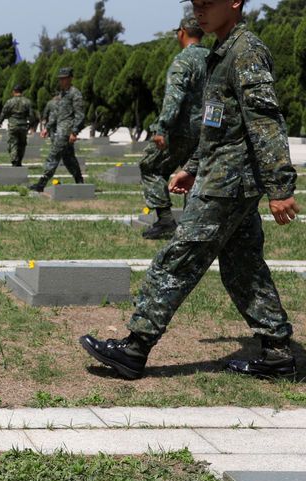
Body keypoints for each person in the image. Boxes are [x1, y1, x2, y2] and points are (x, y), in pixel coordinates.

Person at [81, 0, 300, 381]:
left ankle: (135, 347)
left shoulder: (246, 51)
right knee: (244, 268)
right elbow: (218, 126)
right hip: (222, 176)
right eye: (196, 4)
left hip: (228, 183)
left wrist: (280, 187)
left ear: (235, 2)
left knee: (178, 259)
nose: (199, 11)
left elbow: (265, 122)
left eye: (207, 3)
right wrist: (193, 167)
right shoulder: (223, 50)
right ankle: (278, 352)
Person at [139, 15, 210, 240]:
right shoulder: (212, 58)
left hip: (181, 130)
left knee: (149, 166)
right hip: (207, 129)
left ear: (182, 32)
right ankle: (192, 224)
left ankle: (165, 220)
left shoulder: (183, 61)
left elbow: (174, 97)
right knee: (193, 174)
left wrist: (162, 128)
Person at [31, 68, 84, 192]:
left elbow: (80, 115)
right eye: (60, 79)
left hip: (66, 131)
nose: (62, 81)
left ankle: (41, 184)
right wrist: (47, 128)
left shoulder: (75, 93)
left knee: (53, 155)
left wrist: (74, 132)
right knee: (68, 158)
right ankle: (79, 181)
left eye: (64, 78)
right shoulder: (62, 94)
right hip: (60, 129)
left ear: (70, 78)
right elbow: (55, 114)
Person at [0, 85, 38, 167]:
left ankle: (14, 160)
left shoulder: (9, 101)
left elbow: (3, 112)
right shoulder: (27, 102)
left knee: (13, 143)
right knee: (22, 144)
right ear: (22, 92)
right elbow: (31, 115)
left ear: (14, 91)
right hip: (23, 125)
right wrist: (31, 124)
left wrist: (0, 122)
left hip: (13, 125)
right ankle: (19, 161)